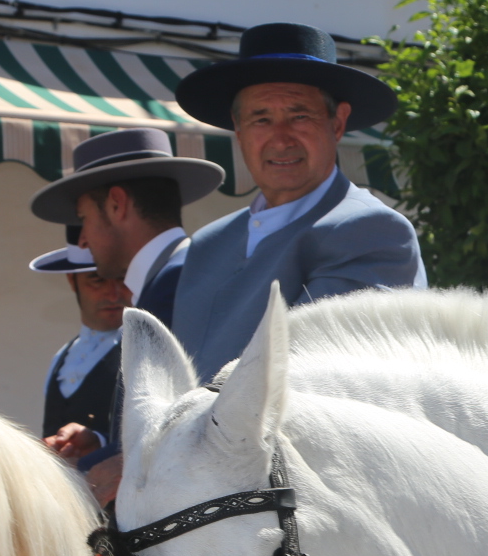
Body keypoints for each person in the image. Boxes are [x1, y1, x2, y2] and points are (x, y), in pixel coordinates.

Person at [170, 21, 426, 382]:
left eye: (299, 116)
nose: (281, 138)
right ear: (238, 128)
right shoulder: (209, 243)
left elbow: (308, 381)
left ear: (337, 123)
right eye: (261, 119)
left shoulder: (372, 233)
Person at [30, 128, 225, 488]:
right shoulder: (175, 280)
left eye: (84, 217)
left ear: (117, 204)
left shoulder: (177, 286)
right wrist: (103, 441)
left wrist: (96, 464)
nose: (83, 239)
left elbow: (194, 430)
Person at [30, 226, 133, 464]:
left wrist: (100, 441)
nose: (113, 292)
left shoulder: (142, 351)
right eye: (97, 280)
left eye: (122, 279)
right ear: (72, 281)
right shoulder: (62, 357)